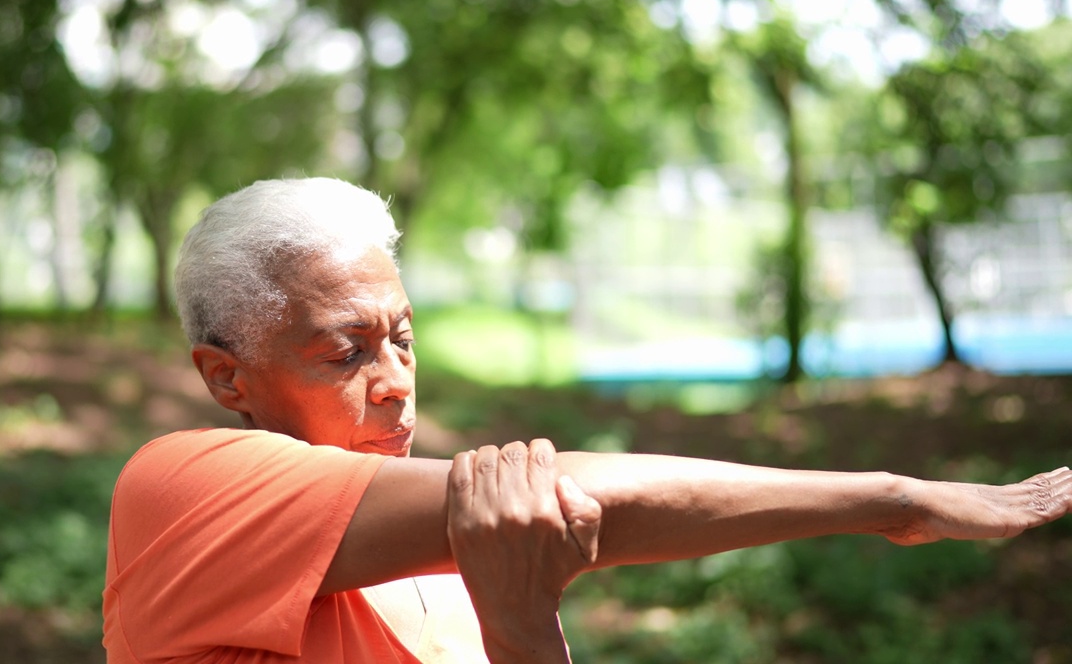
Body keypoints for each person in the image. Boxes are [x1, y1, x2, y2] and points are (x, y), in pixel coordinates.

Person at [102, 177, 1071, 664]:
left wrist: (522, 629)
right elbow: (581, 495)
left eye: (403, 337)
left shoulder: (449, 557)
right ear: (226, 379)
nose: (395, 380)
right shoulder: (179, 486)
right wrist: (889, 498)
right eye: (344, 351)